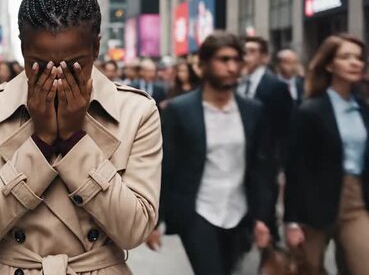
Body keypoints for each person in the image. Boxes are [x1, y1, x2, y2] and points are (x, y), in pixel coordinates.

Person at [0, 0, 162, 275]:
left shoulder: (136, 111)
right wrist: (39, 143)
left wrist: (77, 140)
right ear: (22, 48)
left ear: (95, 47)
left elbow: (134, 229)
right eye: (40, 63)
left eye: (74, 64)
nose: (56, 76)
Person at [156, 32, 273, 275]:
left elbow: (260, 168)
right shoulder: (180, 110)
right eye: (223, 59)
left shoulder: (253, 110)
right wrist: (155, 220)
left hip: (240, 213)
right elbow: (167, 166)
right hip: (198, 211)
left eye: (236, 60)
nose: (232, 67)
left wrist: (264, 217)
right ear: (204, 64)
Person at [284, 35, 369, 275]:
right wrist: (291, 221)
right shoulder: (311, 111)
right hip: (314, 205)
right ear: (330, 65)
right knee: (309, 269)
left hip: (356, 201)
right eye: (346, 57)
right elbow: (296, 168)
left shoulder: (363, 109)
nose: (355, 63)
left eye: (359, 58)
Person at [238, 36, 293, 238]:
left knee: (266, 209)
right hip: (241, 155)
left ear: (263, 57)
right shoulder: (238, 82)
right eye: (244, 51)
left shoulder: (275, 86)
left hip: (267, 157)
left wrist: (280, 162)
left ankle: (270, 251)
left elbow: (286, 126)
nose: (246, 56)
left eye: (252, 51)